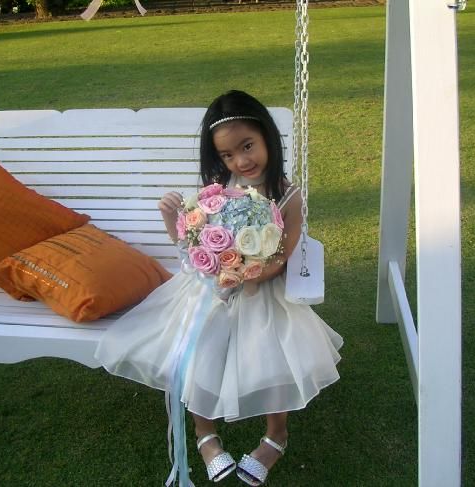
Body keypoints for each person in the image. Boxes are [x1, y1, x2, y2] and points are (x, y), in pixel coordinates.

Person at [94, 90, 343, 486]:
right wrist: (173, 219)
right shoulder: (215, 193)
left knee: (271, 351)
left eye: (247, 146)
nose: (241, 162)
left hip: (263, 290)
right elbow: (191, 248)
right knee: (200, 346)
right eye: (228, 155)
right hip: (211, 289)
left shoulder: (288, 195)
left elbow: (283, 255)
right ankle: (204, 433)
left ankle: (276, 434)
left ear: (266, 137)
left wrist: (253, 272)